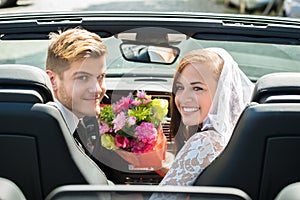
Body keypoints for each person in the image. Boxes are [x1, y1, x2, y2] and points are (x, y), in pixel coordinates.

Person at [159, 47, 254, 186]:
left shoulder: (205, 142)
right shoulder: (229, 138)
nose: (183, 98)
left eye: (197, 88)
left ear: (222, 93)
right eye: (180, 87)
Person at [45, 27, 108, 155]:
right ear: (52, 80)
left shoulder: (76, 119)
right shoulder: (48, 138)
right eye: (82, 78)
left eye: (100, 77)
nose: (97, 89)